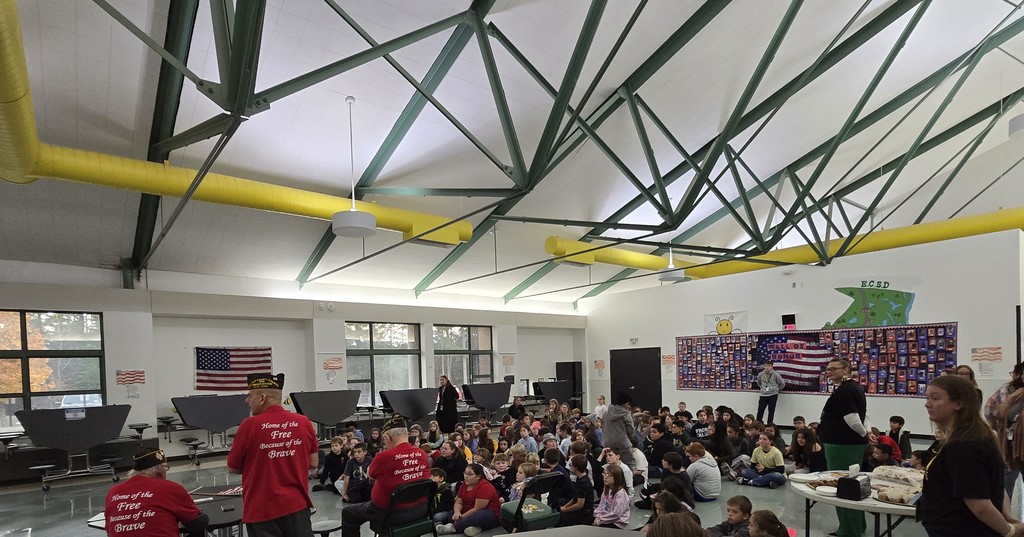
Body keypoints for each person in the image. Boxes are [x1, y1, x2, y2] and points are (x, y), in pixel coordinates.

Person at [919, 375, 1024, 537]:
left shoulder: (963, 446)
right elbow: (994, 486)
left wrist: (1009, 531)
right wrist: (1006, 515)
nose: (927, 404)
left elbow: (979, 504)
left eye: (935, 398)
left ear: (959, 403)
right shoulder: (976, 436)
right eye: (927, 398)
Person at [227, 373, 318, 537]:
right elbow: (313, 463)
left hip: (262, 510)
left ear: (262, 398)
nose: (247, 401)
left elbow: (233, 468)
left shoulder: (249, 425)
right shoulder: (304, 421)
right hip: (297, 506)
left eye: (249, 396)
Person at [341, 416, 431, 537]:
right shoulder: (422, 454)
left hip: (390, 513)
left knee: (348, 513)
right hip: (421, 509)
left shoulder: (384, 456)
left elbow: (370, 476)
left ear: (388, 438)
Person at [817, 358, 871, 537]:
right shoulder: (852, 388)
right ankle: (857, 526)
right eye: (828, 369)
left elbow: (853, 419)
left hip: (842, 445)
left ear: (846, 370)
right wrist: (867, 432)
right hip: (848, 444)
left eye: (834, 368)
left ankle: (848, 530)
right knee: (853, 484)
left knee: (845, 486)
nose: (829, 371)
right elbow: (864, 415)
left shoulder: (845, 391)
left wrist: (864, 433)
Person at [104, 448, 209, 537]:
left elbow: (109, 529)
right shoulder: (170, 488)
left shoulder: (113, 492)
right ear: (158, 471)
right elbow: (198, 522)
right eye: (165, 468)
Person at [436, 463, 502, 536]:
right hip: (468, 509)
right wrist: (457, 513)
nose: (466, 476)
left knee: (466, 520)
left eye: (470, 474)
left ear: (478, 476)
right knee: (449, 516)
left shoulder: (485, 486)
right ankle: (476, 527)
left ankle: (454, 528)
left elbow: (477, 508)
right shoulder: (464, 484)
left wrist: (461, 518)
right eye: (465, 473)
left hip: (487, 512)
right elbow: (459, 502)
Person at [559, 454, 595, 526]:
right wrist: (565, 507)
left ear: (576, 467)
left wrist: (564, 510)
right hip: (581, 510)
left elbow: (579, 505)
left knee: (561, 518)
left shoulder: (583, 482)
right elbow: (575, 497)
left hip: (584, 513)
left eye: (571, 465)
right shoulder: (580, 478)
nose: (570, 467)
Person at [604, 391, 637, 469]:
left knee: (611, 465)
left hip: (607, 443)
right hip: (623, 443)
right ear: (627, 403)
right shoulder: (626, 414)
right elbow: (631, 431)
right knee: (629, 465)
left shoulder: (606, 413)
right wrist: (633, 440)